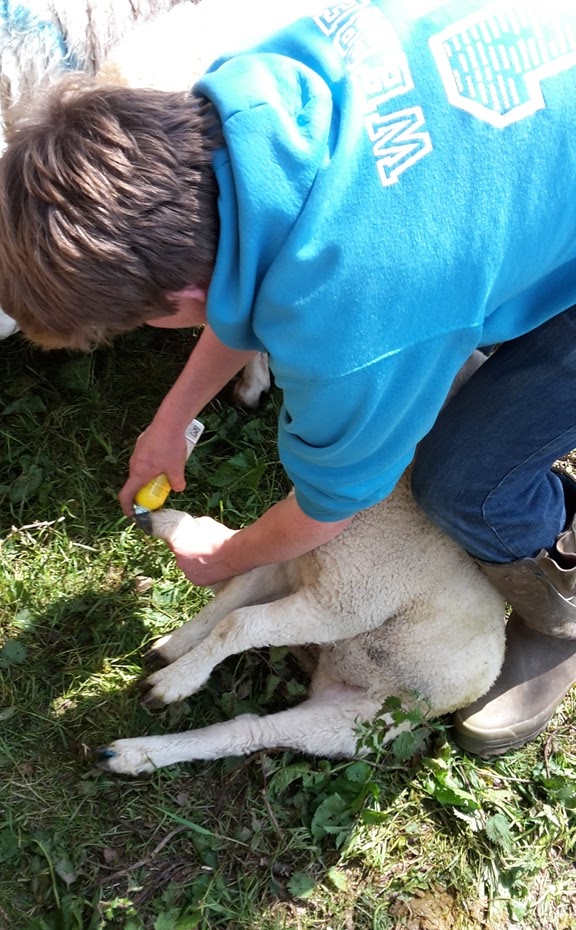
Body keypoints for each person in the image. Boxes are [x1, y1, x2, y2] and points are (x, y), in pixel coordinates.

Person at [1, 0, 576, 757]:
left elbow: (332, 505)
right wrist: (171, 419)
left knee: (463, 480)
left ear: (180, 303)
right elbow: (237, 272)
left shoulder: (352, 322)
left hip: (475, 220)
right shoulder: (243, 96)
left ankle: (557, 602)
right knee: (457, 350)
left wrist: (228, 557)